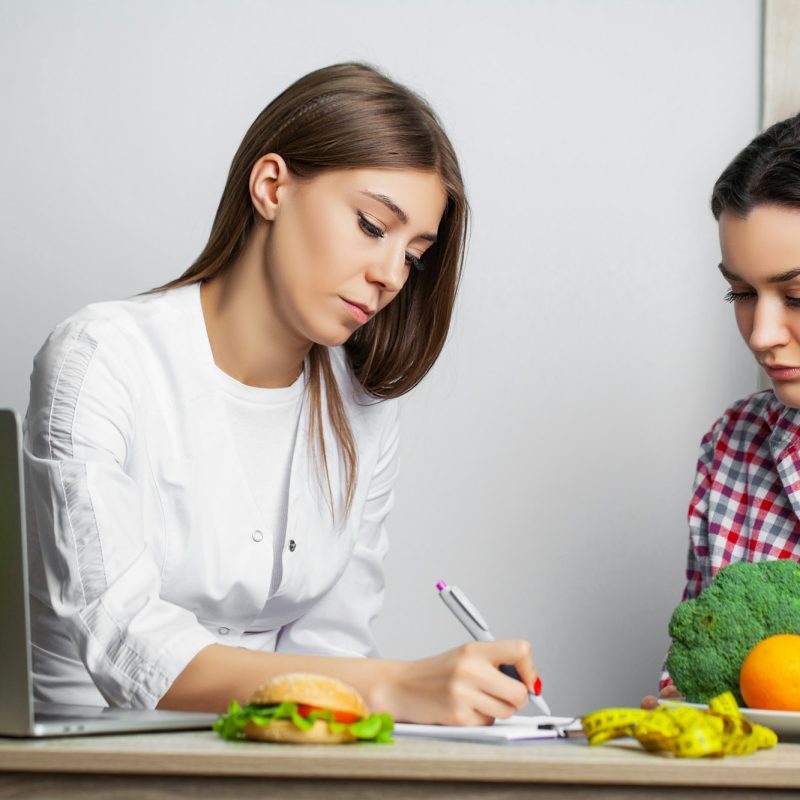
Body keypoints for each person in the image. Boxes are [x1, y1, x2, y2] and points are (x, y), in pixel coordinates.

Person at [24, 62, 539, 726]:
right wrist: (397, 685)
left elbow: (333, 649)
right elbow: (124, 641)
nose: (389, 275)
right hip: (92, 765)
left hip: (271, 762)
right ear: (271, 186)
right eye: (373, 226)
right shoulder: (100, 358)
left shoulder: (365, 409)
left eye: (414, 256)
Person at [642, 112, 800, 709]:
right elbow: (692, 671)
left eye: (796, 296)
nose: (761, 334)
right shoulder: (733, 444)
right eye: (741, 292)